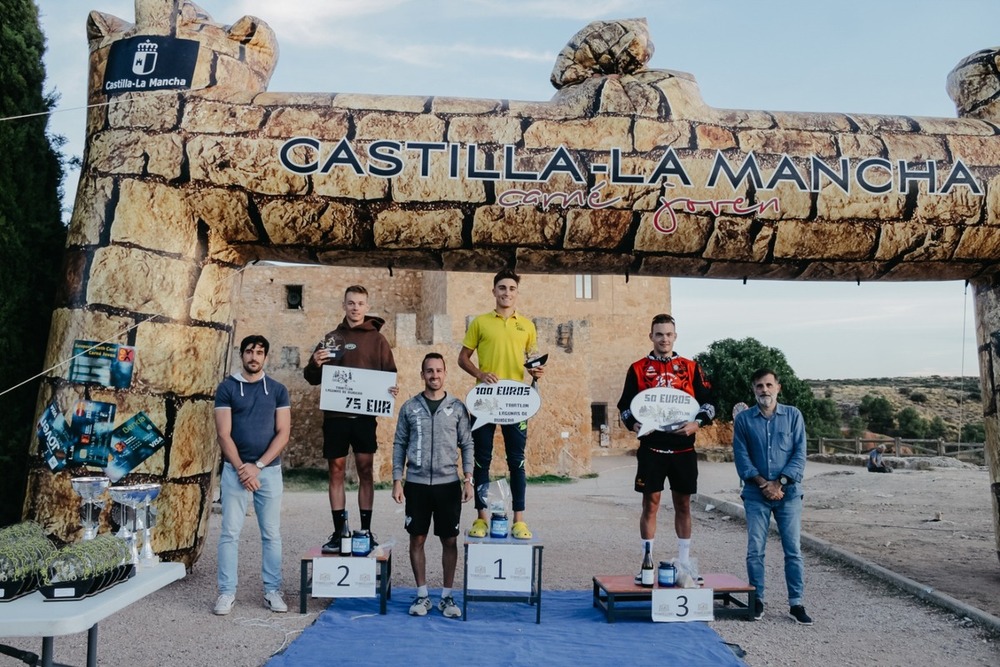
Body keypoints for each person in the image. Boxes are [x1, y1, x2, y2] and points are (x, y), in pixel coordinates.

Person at [617, 313, 715, 580]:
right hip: (652, 448)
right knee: (651, 504)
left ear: (675, 336)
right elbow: (624, 407)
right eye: (659, 334)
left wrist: (697, 423)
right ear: (651, 336)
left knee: (683, 504)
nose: (664, 339)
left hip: (683, 448)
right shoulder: (637, 368)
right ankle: (646, 563)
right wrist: (633, 425)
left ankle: (683, 565)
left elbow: (709, 404)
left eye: (668, 334)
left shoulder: (691, 367)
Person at [304, 285, 397, 553]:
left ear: (366, 307)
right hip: (336, 416)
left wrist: (391, 389)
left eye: (360, 303)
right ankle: (338, 531)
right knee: (336, 470)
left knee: (366, 470)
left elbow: (390, 375)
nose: (355, 308)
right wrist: (315, 364)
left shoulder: (378, 340)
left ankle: (365, 530)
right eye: (351, 303)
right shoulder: (332, 338)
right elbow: (311, 378)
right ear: (343, 305)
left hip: (364, 417)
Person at [458, 269, 545, 540]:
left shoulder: (527, 326)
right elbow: (463, 358)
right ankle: (481, 518)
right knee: (481, 460)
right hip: (484, 402)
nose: (507, 292)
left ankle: (519, 520)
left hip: (515, 403)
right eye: (502, 288)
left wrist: (537, 373)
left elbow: (533, 361)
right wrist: (480, 375)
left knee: (516, 461)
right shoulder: (480, 323)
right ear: (493, 291)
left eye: (511, 288)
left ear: (517, 293)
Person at [213, 335, 291, 615]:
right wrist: (242, 469)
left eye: (259, 352)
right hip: (235, 471)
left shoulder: (278, 390)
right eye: (249, 352)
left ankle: (272, 591)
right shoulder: (227, 388)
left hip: (268, 471)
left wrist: (257, 466)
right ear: (241, 355)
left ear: (266, 357)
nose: (254, 357)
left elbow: (283, 433)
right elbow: (224, 434)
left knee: (271, 533)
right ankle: (226, 592)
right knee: (230, 533)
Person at [392, 353, 474, 618]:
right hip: (416, 484)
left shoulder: (458, 408)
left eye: (439, 371)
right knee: (417, 538)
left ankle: (447, 598)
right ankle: (422, 595)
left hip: (448, 483)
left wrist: (468, 478)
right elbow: (399, 444)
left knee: (449, 540)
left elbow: (467, 444)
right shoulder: (410, 407)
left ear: (445, 373)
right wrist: (397, 480)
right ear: (422, 375)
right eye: (429, 371)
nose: (434, 375)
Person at [732, 368, 813, 625]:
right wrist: (763, 484)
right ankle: (757, 599)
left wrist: (779, 483)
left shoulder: (793, 416)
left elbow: (800, 453)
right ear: (753, 389)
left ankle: (796, 603)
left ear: (778, 387)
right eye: (759, 386)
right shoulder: (744, 420)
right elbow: (741, 456)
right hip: (756, 494)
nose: (764, 390)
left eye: (768, 385)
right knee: (755, 549)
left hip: (788, 494)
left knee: (793, 550)